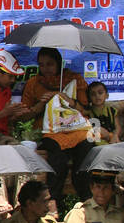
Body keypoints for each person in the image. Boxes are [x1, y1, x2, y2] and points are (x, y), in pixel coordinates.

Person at [20, 47, 94, 207]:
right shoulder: (34, 84)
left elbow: (86, 109)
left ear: (59, 64)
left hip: (76, 131)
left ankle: (87, 200)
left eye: (50, 64)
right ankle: (53, 201)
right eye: (42, 65)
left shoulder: (74, 80)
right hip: (51, 134)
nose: (46, 69)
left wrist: (65, 98)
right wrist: (41, 105)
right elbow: (22, 115)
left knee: (86, 149)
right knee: (57, 158)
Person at [0, 49, 26, 142]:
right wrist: (5, 112)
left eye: (14, 77)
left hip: (5, 136)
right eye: (10, 76)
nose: (13, 80)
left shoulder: (7, 91)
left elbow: (6, 120)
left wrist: (15, 115)